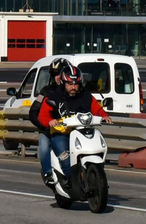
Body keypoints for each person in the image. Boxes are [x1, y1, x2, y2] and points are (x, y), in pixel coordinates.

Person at [34, 62, 110, 193]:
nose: (73, 87)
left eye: (76, 84)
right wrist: (50, 121)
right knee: (61, 148)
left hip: (81, 130)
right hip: (61, 133)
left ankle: (97, 175)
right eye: (70, 84)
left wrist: (104, 116)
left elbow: (96, 108)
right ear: (63, 83)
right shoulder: (53, 96)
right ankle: (69, 177)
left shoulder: (85, 95)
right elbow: (42, 115)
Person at [28, 57, 72, 185]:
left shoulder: (74, 89)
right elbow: (33, 112)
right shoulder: (46, 91)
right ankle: (47, 173)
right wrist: (45, 125)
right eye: (55, 74)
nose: (58, 77)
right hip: (51, 130)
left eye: (60, 73)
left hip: (72, 128)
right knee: (43, 143)